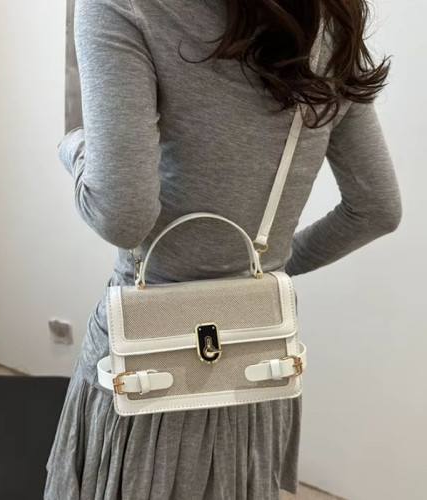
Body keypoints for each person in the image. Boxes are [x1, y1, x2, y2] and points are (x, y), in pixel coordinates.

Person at [44, 0, 402, 498]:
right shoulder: (328, 20)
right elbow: (377, 208)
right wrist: (265, 273)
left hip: (146, 358)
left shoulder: (125, 7)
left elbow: (122, 215)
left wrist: (72, 145)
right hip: (256, 358)